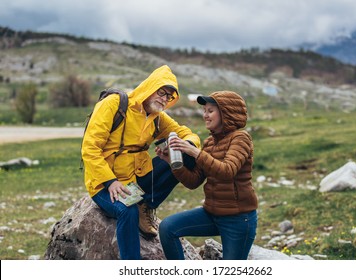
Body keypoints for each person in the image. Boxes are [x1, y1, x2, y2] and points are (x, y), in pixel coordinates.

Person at [81, 65, 200, 260]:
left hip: (137, 178)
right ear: (150, 87)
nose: (164, 99)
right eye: (161, 92)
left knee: (185, 154)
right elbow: (90, 148)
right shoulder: (113, 104)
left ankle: (146, 204)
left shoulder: (157, 118)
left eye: (169, 97)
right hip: (105, 182)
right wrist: (110, 182)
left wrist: (184, 144)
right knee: (127, 212)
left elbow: (187, 133)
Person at [157, 90, 258, 260]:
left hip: (238, 220)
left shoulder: (241, 138)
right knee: (168, 227)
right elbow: (194, 181)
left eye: (210, 111)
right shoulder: (210, 142)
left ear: (226, 113)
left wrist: (195, 152)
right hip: (212, 213)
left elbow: (227, 171)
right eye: (204, 111)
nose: (205, 115)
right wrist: (171, 162)